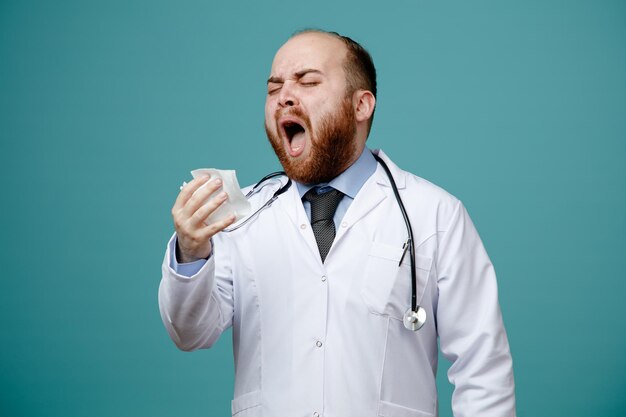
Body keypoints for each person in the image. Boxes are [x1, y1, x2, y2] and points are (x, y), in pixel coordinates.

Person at [159, 30, 516, 417]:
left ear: (361, 105)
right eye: (273, 87)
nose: (285, 96)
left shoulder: (434, 215)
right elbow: (189, 333)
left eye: (308, 81)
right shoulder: (242, 217)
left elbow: (483, 370)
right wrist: (191, 251)